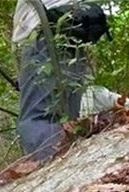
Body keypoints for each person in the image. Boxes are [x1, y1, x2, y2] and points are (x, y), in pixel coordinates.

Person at [13, 0, 109, 160]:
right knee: (68, 115)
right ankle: (73, 163)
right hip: (73, 32)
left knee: (36, 118)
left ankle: (54, 164)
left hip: (44, 28)